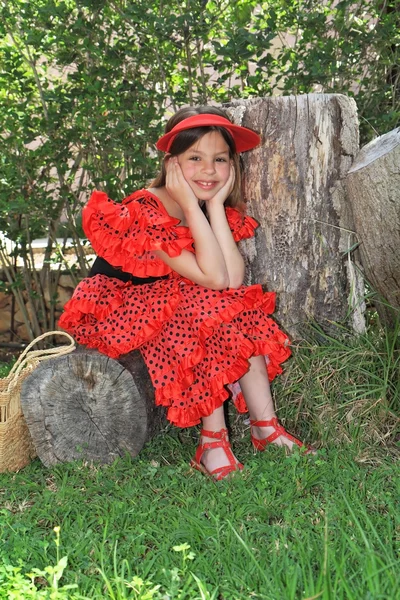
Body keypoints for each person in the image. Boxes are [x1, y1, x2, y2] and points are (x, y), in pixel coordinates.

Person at [59, 106, 311, 481]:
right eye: (195, 158)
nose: (209, 170)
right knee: (202, 311)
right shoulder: (146, 208)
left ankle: (265, 426)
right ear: (171, 162)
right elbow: (211, 279)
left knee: (236, 308)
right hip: (122, 305)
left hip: (172, 295)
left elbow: (231, 279)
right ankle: (212, 441)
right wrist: (194, 205)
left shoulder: (210, 205)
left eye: (220, 159)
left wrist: (209, 206)